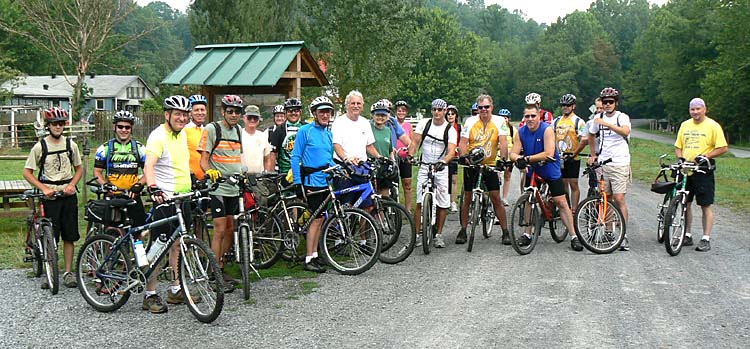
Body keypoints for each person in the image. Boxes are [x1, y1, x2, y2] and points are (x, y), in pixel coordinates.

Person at [142, 95, 194, 313]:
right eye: (178, 114)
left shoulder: (181, 135)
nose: (182, 118)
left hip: (183, 198)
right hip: (165, 200)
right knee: (159, 248)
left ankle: (175, 289)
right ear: (167, 115)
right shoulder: (158, 136)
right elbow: (149, 166)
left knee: (178, 246)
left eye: (185, 114)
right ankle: (150, 294)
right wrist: (153, 188)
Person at [23, 107, 83, 289]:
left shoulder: (71, 145)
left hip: (67, 194)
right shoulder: (40, 147)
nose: (58, 127)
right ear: (48, 126)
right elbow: (27, 172)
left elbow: (79, 168)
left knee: (69, 235)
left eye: (61, 124)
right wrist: (43, 188)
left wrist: (72, 184)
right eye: (55, 124)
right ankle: (50, 271)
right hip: (50, 196)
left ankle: (67, 272)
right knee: (50, 236)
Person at [509, 104, 583, 251]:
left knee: (560, 201)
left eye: (533, 116)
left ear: (539, 117)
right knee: (529, 199)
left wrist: (527, 158)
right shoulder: (521, 132)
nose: (530, 119)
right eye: (527, 116)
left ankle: (574, 236)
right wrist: (518, 159)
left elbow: (549, 153)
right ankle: (527, 233)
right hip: (533, 169)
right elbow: (513, 153)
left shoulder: (546, 130)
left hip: (549, 168)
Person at [199, 94, 244, 291]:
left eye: (237, 112)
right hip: (218, 187)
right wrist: (210, 172)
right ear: (223, 111)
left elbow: (237, 158)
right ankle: (213, 274)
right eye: (230, 111)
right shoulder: (212, 129)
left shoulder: (239, 131)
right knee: (219, 228)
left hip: (234, 187)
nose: (234, 115)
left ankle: (221, 266)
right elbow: (203, 159)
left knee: (230, 228)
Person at [674, 98, 728, 252]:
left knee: (705, 204)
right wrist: (681, 158)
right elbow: (678, 146)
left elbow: (723, 147)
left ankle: (706, 238)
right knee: (685, 203)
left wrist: (706, 156)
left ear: (705, 109)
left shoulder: (713, 126)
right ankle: (687, 234)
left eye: (698, 109)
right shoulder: (685, 125)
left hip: (703, 170)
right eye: (692, 109)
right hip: (686, 169)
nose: (695, 112)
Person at [457, 94, 510, 245]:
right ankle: (463, 229)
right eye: (480, 107)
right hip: (472, 163)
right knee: (467, 197)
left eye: (486, 107)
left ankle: (505, 231)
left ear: (491, 107)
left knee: (496, 198)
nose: (483, 110)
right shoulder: (471, 121)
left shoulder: (499, 121)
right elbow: (463, 142)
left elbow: (504, 142)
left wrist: (503, 159)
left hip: (490, 163)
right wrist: (463, 155)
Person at [291, 96, 336, 272]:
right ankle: (309, 258)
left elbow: (328, 158)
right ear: (314, 114)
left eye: (328, 112)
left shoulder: (328, 133)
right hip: (312, 181)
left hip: (325, 181)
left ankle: (315, 254)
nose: (325, 115)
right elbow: (296, 157)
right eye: (321, 112)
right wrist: (297, 182)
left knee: (321, 218)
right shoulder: (305, 131)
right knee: (315, 220)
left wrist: (341, 168)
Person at [586, 87, 632, 251]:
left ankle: (624, 235)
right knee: (606, 198)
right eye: (604, 102)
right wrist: (593, 153)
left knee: (619, 199)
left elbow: (625, 132)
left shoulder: (621, 117)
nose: (607, 105)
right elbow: (591, 134)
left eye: (610, 102)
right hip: (604, 163)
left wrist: (606, 124)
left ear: (616, 103)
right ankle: (610, 232)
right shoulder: (597, 118)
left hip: (620, 163)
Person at [408, 99, 457, 248]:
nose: (437, 112)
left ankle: (438, 234)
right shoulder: (424, 124)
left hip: (441, 167)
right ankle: (417, 234)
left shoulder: (450, 129)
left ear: (445, 111)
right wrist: (411, 155)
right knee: (419, 202)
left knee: (443, 202)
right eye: (434, 109)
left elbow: (451, 151)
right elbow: (415, 142)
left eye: (440, 110)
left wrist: (444, 161)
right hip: (425, 165)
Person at [93, 110, 147, 227]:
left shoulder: (140, 149)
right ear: (114, 127)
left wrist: (139, 185)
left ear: (131, 128)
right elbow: (97, 172)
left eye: (127, 127)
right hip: (112, 196)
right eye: (120, 127)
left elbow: (148, 172)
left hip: (132, 195)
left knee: (138, 231)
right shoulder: (104, 148)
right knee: (111, 232)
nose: (124, 130)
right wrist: (105, 185)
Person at [331, 90, 380, 206]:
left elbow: (369, 145)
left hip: (361, 168)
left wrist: (379, 156)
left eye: (359, 103)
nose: (356, 106)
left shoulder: (365, 123)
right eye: (353, 103)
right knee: (347, 205)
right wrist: (347, 159)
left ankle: (362, 224)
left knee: (367, 205)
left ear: (362, 106)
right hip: (344, 168)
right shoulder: (339, 122)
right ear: (347, 105)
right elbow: (337, 145)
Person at [553, 93, 588, 210]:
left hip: (573, 157)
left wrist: (575, 154)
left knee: (573, 183)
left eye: (568, 105)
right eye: (563, 105)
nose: (565, 107)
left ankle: (574, 209)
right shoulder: (557, 121)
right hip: (560, 157)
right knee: (562, 184)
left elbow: (584, 140)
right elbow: (551, 136)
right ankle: (565, 207)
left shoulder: (579, 121)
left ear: (573, 106)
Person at [270, 98, 306, 180]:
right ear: (285, 113)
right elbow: (273, 154)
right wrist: (271, 176)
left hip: (305, 172)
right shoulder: (279, 130)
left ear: (300, 112)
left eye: (296, 110)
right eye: (290, 111)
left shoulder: (307, 128)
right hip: (285, 174)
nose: (293, 113)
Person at [370, 101, 396, 197]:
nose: (380, 117)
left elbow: (390, 150)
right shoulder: (369, 128)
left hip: (384, 166)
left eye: (383, 115)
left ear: (387, 117)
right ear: (373, 115)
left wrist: (393, 162)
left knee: (385, 195)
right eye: (377, 115)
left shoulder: (388, 130)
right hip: (372, 165)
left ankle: (385, 211)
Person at [240, 105, 273, 174]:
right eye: (249, 117)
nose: (252, 120)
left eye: (255, 118)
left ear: (259, 120)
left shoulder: (263, 136)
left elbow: (267, 159)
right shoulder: (238, 135)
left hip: (259, 178)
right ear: (244, 118)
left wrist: (266, 175)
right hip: (241, 177)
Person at [394, 100, 414, 211]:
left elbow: (412, 142)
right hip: (394, 157)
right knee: (394, 185)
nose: (401, 113)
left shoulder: (408, 126)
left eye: (403, 111)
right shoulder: (392, 124)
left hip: (405, 157)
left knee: (407, 184)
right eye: (399, 111)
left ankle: (408, 209)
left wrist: (410, 154)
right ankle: (394, 209)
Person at [185, 94, 208, 180]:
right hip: (190, 177)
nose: (200, 113)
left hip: (206, 178)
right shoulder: (184, 131)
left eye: (202, 110)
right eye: (196, 110)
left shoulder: (207, 130)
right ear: (190, 112)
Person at [497, 108, 515, 206]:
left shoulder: (512, 129)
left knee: (507, 177)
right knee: (497, 178)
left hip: (509, 157)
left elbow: (515, 141)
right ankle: (497, 197)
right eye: (502, 118)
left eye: (506, 118)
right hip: (498, 156)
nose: (504, 120)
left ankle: (504, 197)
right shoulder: (496, 128)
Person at [446, 105, 461, 212]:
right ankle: (445, 200)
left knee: (454, 180)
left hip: (455, 156)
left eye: (452, 114)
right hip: (444, 156)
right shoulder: (444, 126)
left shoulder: (459, 127)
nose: (450, 116)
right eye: (449, 114)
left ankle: (453, 201)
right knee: (444, 179)